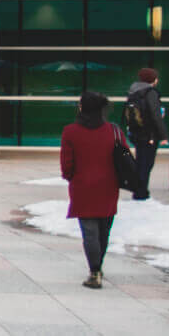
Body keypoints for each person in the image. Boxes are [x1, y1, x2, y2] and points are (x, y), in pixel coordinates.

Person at [60, 91, 126, 289]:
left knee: (89, 232)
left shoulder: (70, 132)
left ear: (82, 108)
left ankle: (94, 271)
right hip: (109, 186)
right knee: (104, 230)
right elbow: (124, 156)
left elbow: (67, 165)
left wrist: (71, 176)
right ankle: (99, 265)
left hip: (82, 187)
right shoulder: (114, 131)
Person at [124, 68, 169, 200]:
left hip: (136, 132)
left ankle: (139, 190)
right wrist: (163, 135)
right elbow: (156, 115)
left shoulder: (134, 91)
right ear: (153, 80)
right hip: (149, 134)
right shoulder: (150, 93)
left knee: (140, 162)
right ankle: (141, 192)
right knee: (146, 163)